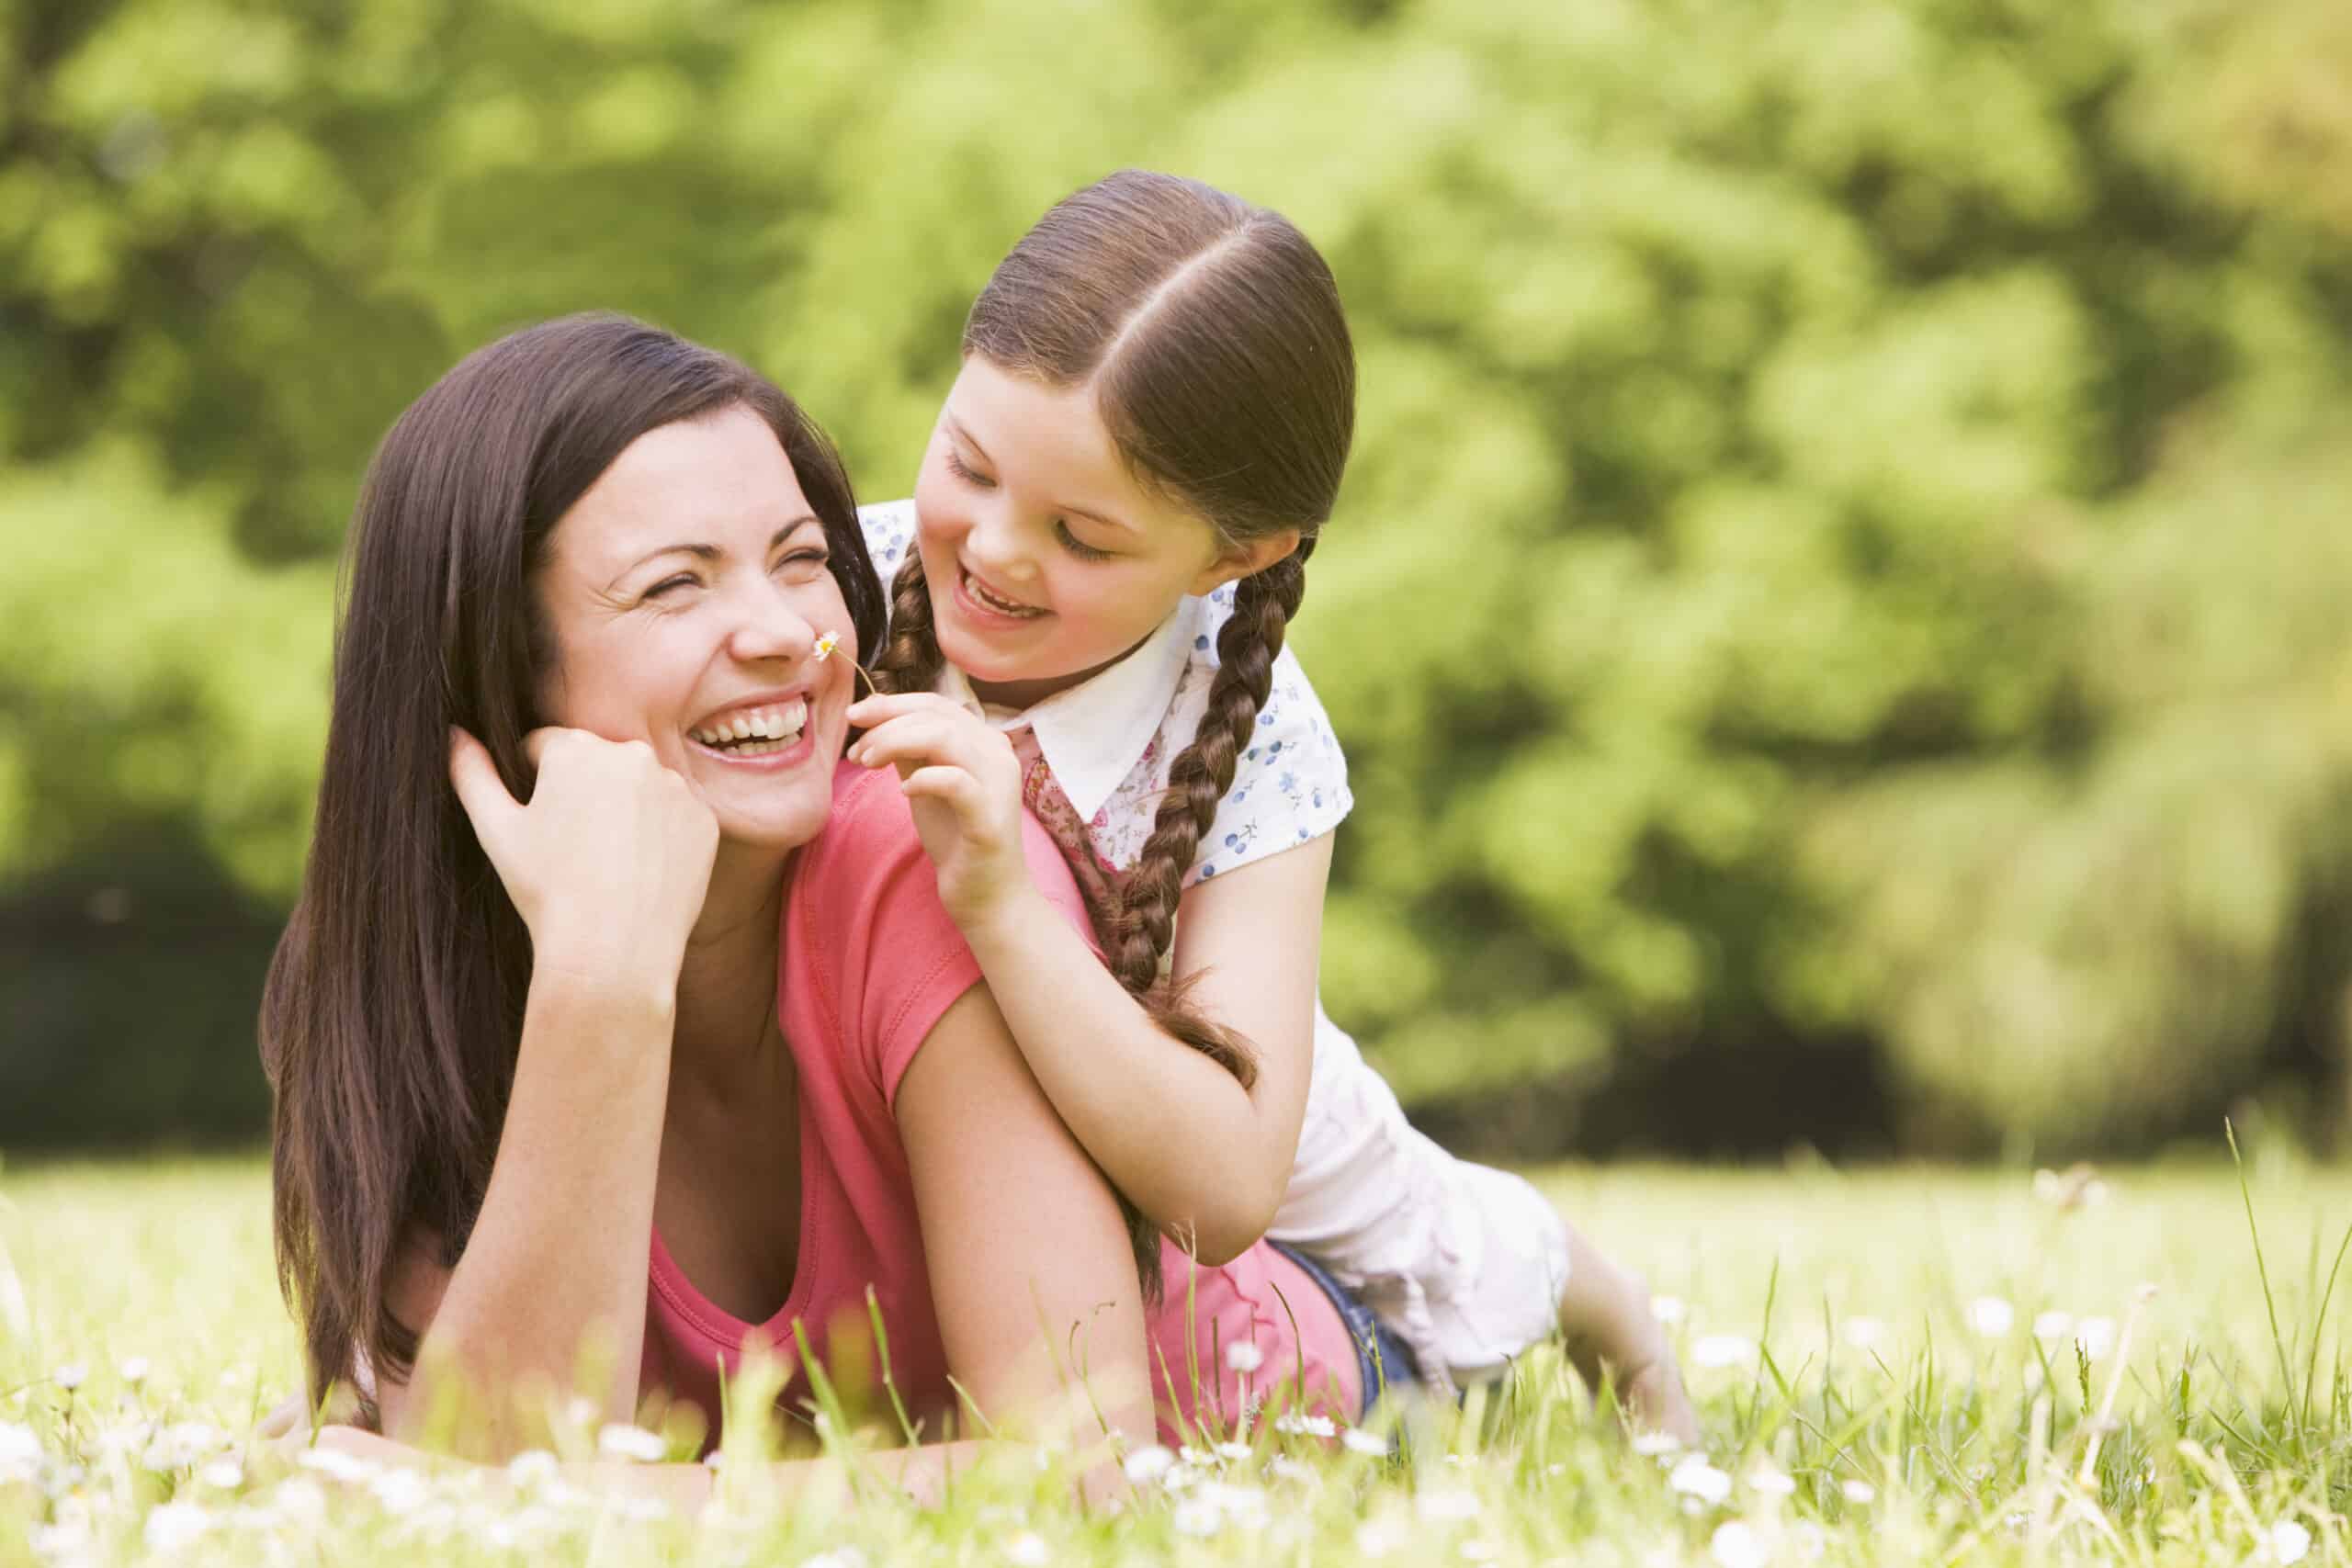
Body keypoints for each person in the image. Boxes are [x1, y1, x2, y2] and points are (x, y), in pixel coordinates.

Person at [258, 314, 1374, 1505]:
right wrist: (601, 984)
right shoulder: (412, 978)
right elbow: (478, 1481)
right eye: (675, 586)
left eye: (801, 561)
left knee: (1437, 1225)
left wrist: (601, 1497)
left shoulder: (918, 859)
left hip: (1299, 1400)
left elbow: (1081, 1472)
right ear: (490, 657)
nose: (790, 635)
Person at [843, 169, 1697, 1438]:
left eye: (1084, 537)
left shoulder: (1249, 729)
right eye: (969, 465)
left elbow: (1232, 1188)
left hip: (1237, 1115)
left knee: (1443, 1244)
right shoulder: (840, 586)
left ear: (1236, 556)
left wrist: (1003, 904)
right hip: (947, 1098)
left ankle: (1605, 1309)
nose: (999, 549)